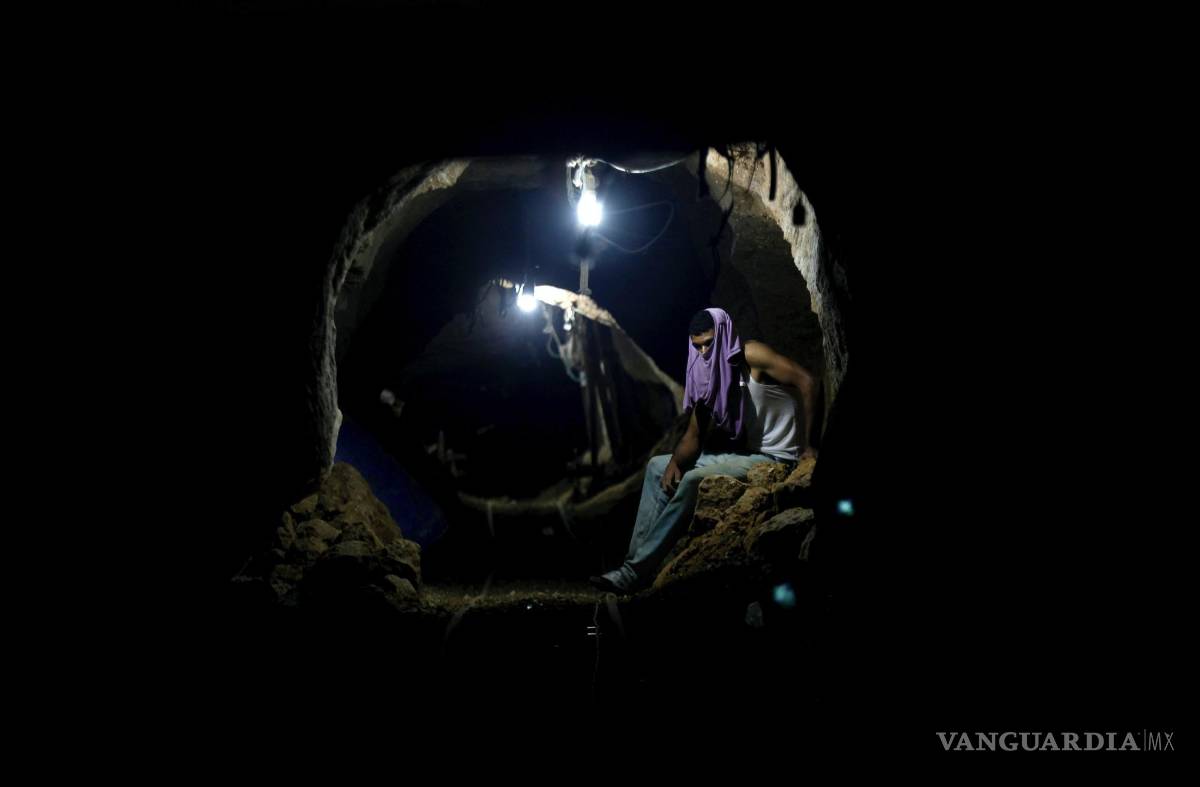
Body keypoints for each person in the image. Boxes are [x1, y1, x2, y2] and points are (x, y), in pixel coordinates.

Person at [589, 307, 818, 594]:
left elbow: (807, 381)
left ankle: (634, 572)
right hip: (753, 455)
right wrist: (675, 461)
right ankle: (633, 569)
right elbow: (694, 434)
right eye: (697, 346)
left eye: (710, 342)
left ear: (724, 334)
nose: (704, 351)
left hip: (779, 460)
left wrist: (808, 445)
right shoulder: (708, 375)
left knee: (694, 480)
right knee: (658, 467)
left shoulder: (752, 355)